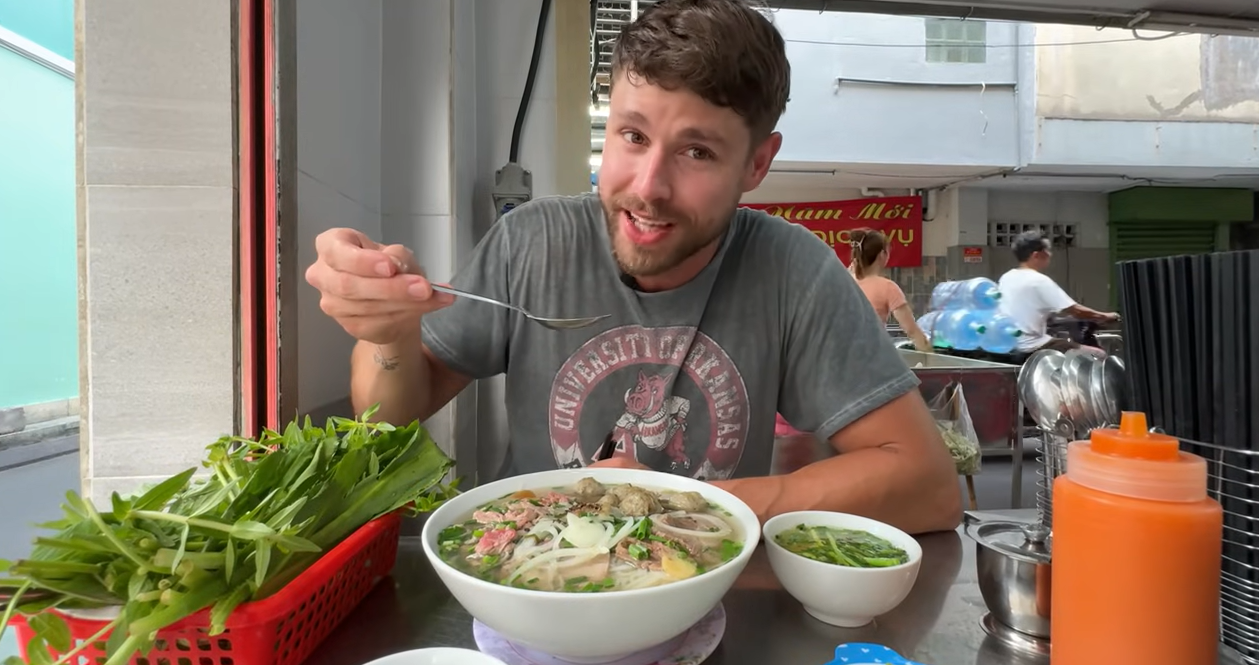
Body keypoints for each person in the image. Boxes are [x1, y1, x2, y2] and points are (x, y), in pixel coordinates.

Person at [304, 0, 960, 535]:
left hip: (706, 593)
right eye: (632, 136)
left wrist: (686, 506)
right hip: (530, 579)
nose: (647, 187)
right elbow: (389, 414)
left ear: (756, 165)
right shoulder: (530, 242)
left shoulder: (793, 271)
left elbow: (927, 485)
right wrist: (387, 336)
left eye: (696, 151)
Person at [997, 230, 1119, 355]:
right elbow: (1074, 310)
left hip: (1009, 343)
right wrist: (1104, 316)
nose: (1050, 254)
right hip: (1031, 344)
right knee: (1098, 355)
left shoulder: (1006, 277)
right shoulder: (1038, 280)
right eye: (1047, 250)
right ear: (1036, 255)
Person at [847, 228, 932, 353]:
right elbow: (912, 331)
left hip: (841, 358)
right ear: (882, 255)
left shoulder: (845, 281)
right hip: (871, 357)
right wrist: (930, 355)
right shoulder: (887, 287)